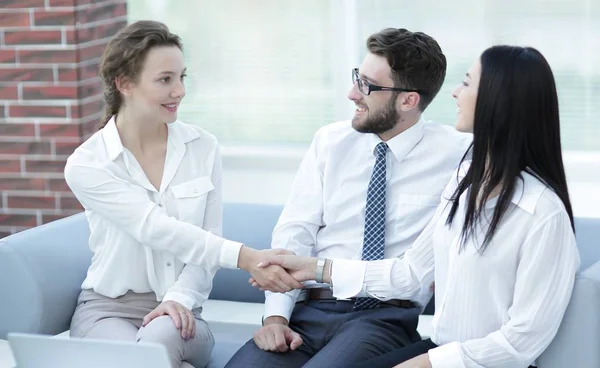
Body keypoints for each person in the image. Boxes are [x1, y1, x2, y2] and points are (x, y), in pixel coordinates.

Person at [257, 45, 580, 368]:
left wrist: (427, 363)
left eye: (467, 83)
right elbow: (409, 272)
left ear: (499, 100)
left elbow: (522, 340)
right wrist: (315, 268)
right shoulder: (465, 184)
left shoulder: (543, 213)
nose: (454, 92)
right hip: (440, 350)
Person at [225, 28, 472, 368]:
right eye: (358, 77)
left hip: (384, 317)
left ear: (408, 100)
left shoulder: (459, 156)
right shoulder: (330, 141)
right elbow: (296, 231)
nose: (352, 93)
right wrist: (276, 318)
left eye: (368, 85)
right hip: (309, 310)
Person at [64, 21, 301, 368]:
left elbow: (206, 242)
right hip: (106, 311)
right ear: (125, 83)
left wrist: (179, 298)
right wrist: (246, 257)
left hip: (183, 311)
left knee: (157, 343)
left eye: (182, 77)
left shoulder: (202, 147)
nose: (179, 91)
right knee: (137, 361)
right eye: (165, 79)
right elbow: (153, 226)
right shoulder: (88, 164)